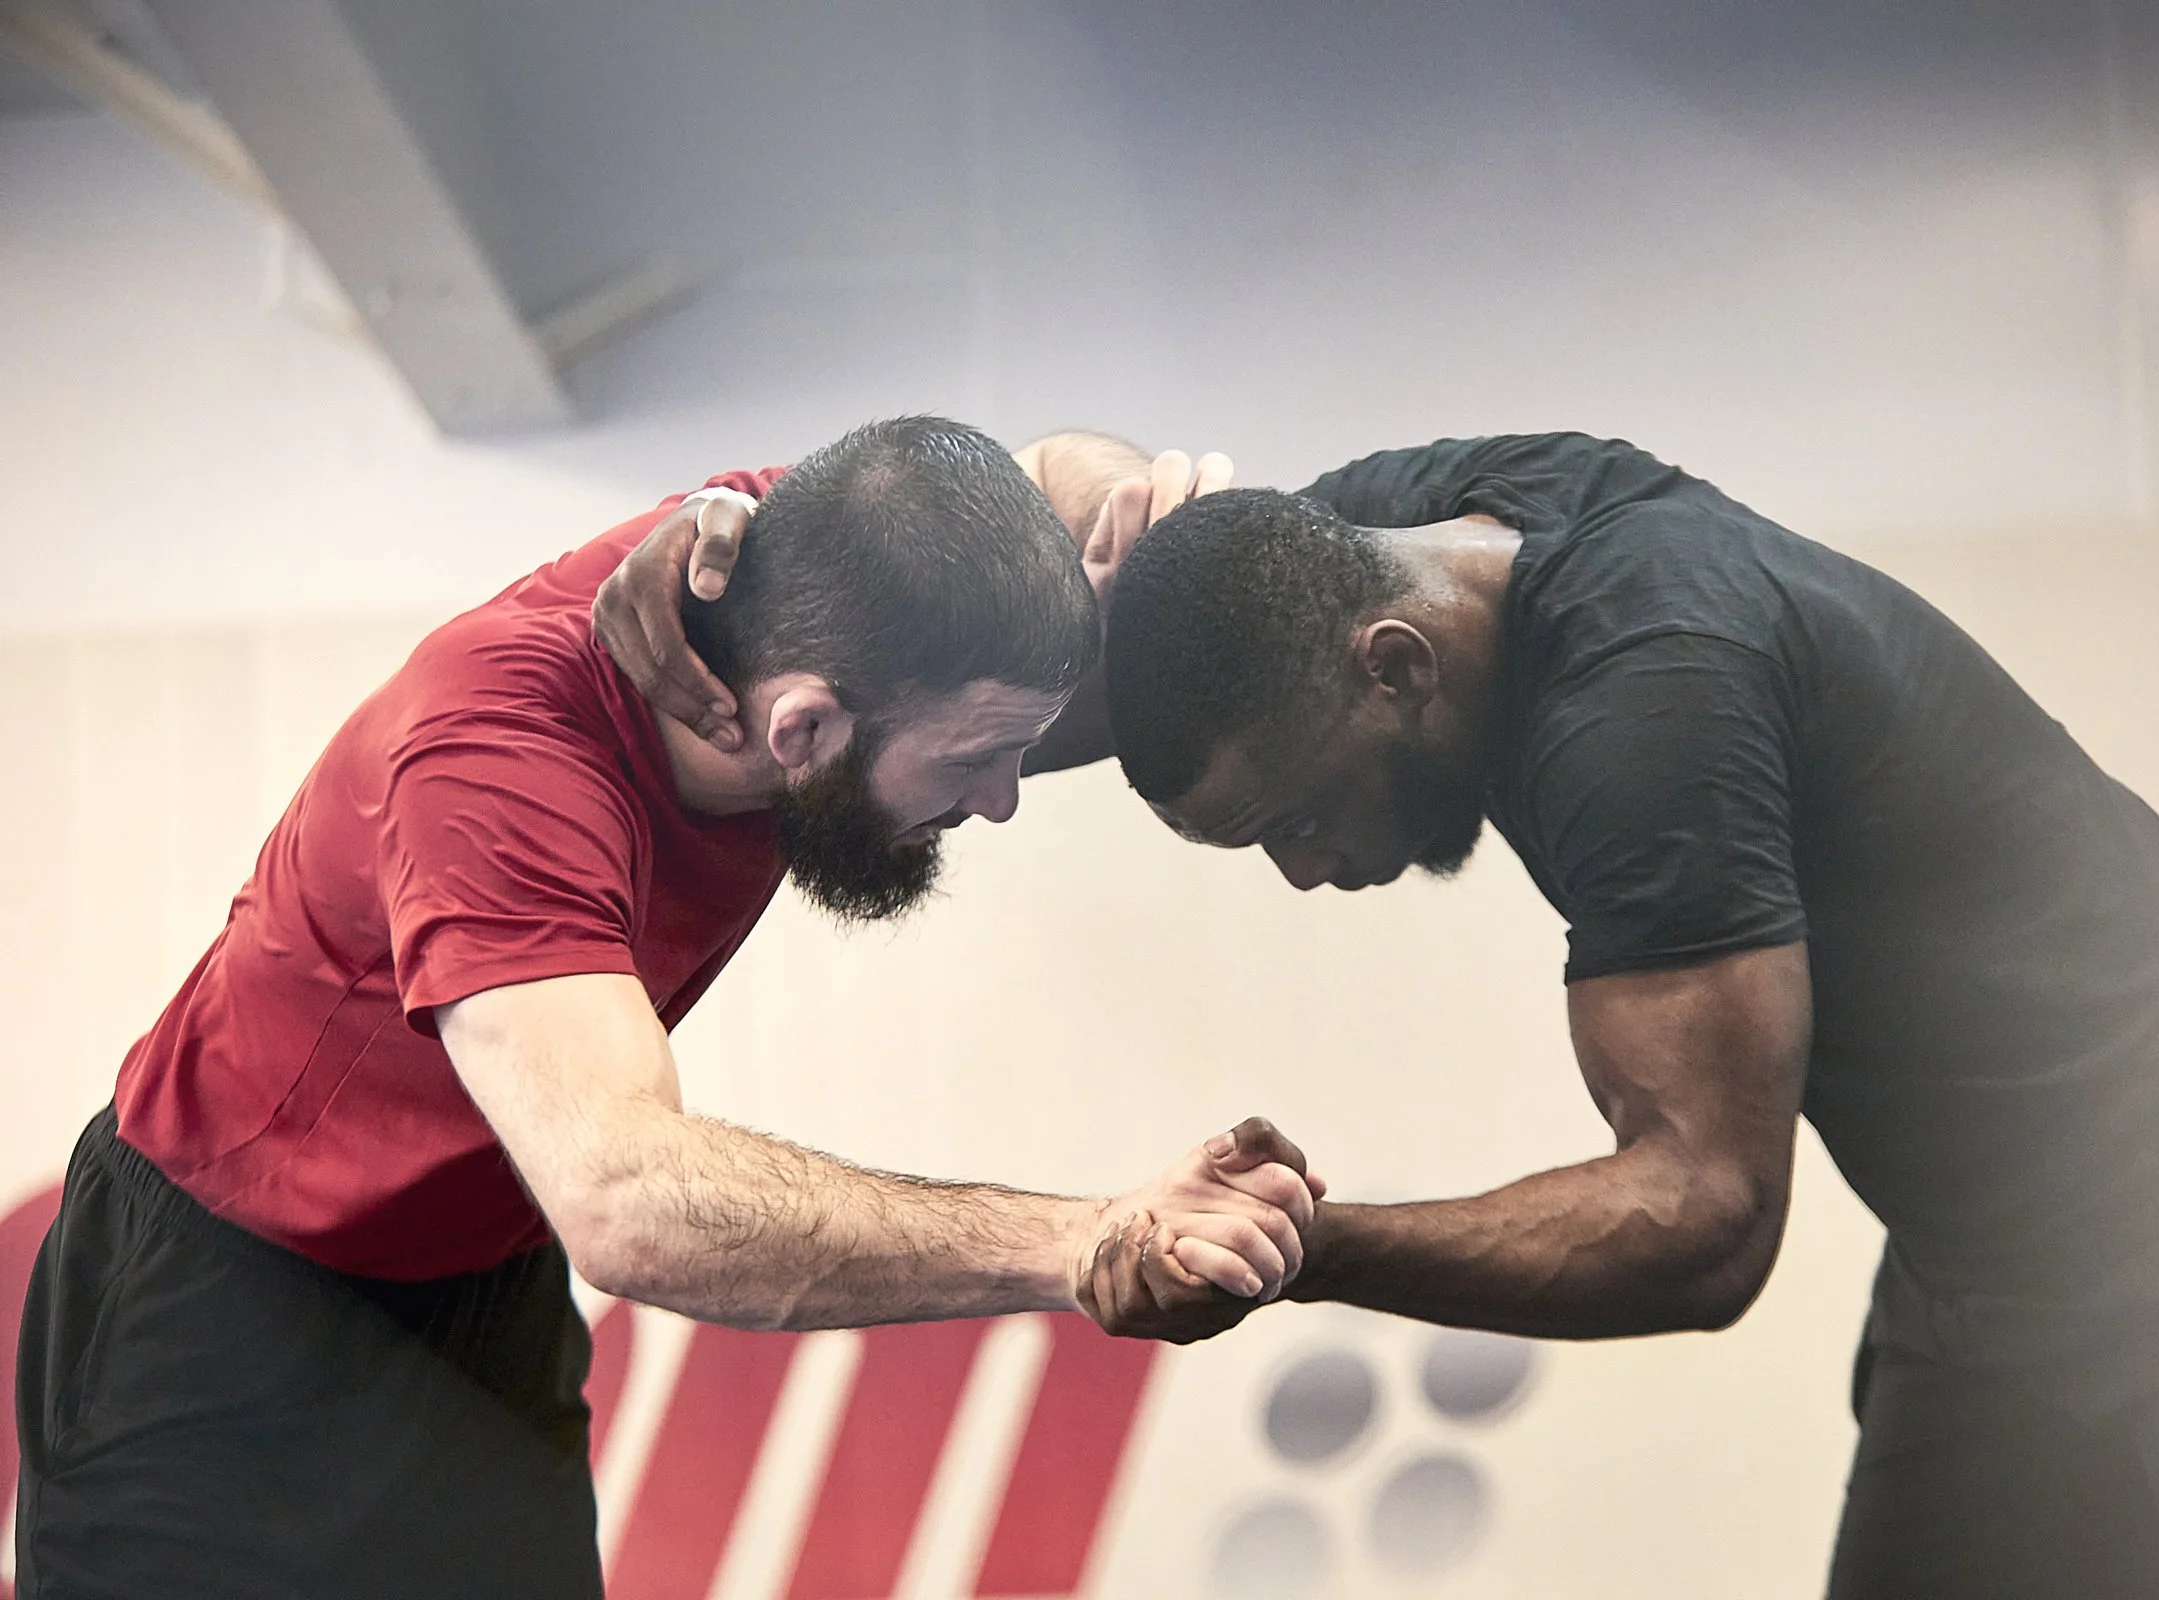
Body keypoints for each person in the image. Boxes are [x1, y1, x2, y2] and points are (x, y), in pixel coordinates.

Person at [628, 430, 2159, 1599]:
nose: (1308, 874)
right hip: (2004, 1255)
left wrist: (1295, 1249)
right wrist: (756, 600)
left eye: (1299, 817)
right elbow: (1093, 632)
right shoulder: (1393, 543)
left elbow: (1701, 1225)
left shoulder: (1646, 712)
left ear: (1392, 673)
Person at [13, 416, 1314, 1600]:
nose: (998, 803)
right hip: (218, 1312)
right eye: (974, 761)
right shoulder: (497, 766)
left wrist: (1135, 502)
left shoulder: (795, 567)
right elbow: (630, 1201)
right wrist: (1076, 1239)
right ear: (798, 732)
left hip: (476, 1282)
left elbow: (1030, 471)